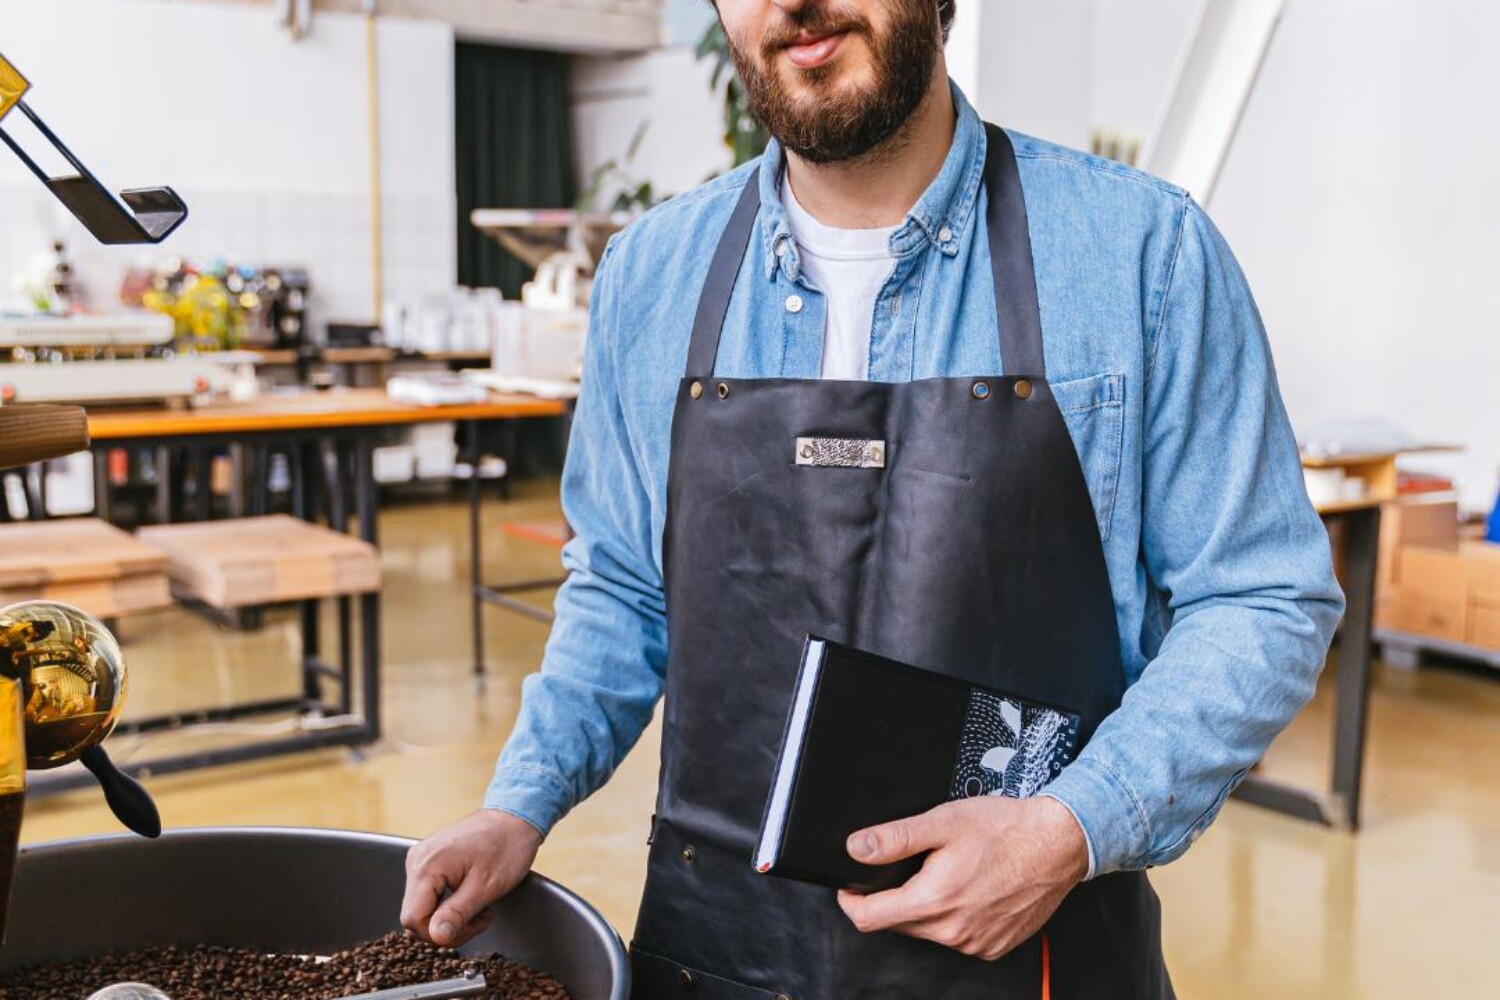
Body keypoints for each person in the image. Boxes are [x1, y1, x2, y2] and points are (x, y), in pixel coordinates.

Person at [402, 1, 1345, 995]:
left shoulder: (1143, 256)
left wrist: (1071, 827)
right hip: (719, 959)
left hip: (1041, 959)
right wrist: (518, 803)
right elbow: (626, 591)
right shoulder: (652, 276)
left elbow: (1261, 598)